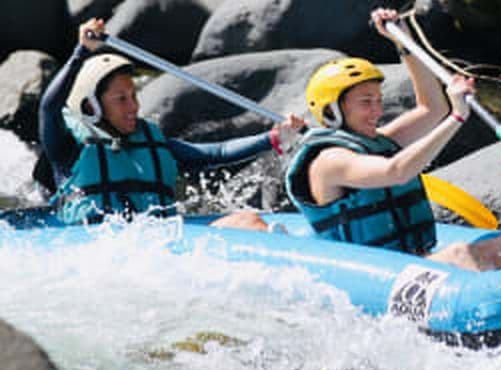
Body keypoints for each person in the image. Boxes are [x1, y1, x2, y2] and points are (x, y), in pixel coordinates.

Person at [285, 7, 501, 271]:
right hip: (368, 273)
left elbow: (432, 108)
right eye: (366, 102)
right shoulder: (329, 160)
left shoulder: (380, 142)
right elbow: (396, 171)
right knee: (459, 255)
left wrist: (404, 42)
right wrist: (457, 118)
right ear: (332, 110)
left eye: (378, 100)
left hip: (411, 262)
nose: (377, 111)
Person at [39, 17, 305, 229]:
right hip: (95, 248)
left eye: (134, 96)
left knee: (247, 221)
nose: (134, 107)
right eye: (121, 99)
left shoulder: (153, 142)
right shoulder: (67, 149)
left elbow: (216, 153)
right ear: (90, 106)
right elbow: (49, 108)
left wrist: (272, 139)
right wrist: (80, 53)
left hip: (153, 244)